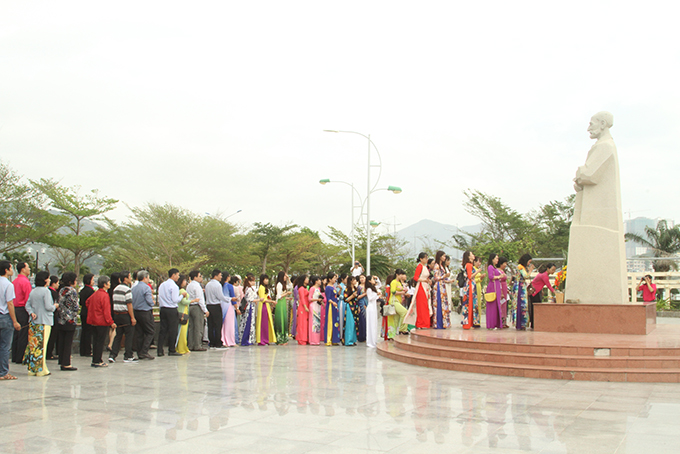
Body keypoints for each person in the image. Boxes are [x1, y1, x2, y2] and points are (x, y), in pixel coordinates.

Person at [24, 271, 57, 376]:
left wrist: (31, 312)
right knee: (43, 346)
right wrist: (55, 306)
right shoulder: (46, 291)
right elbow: (48, 306)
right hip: (45, 321)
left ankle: (32, 369)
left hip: (34, 322)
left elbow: (27, 305)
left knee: (34, 346)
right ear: (45, 280)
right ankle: (42, 370)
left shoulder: (33, 291)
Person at [87, 276, 116, 367]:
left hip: (93, 321)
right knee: (100, 342)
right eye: (108, 282)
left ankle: (95, 359)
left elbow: (87, 302)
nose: (110, 284)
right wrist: (111, 322)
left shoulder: (95, 294)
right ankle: (98, 360)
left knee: (95, 341)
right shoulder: (104, 295)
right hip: (101, 322)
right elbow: (106, 311)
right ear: (104, 284)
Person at [109, 271, 137, 363]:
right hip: (125, 314)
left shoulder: (116, 289)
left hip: (117, 314)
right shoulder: (127, 289)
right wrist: (132, 317)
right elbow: (129, 304)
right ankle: (128, 355)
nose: (131, 278)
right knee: (129, 335)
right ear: (125, 278)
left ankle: (113, 355)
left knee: (118, 335)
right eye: (129, 276)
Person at [0, 261, 21, 380]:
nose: (12, 270)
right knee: (4, 346)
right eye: (11, 268)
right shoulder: (8, 284)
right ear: (6, 270)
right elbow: (10, 303)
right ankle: (3, 372)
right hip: (5, 317)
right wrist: (15, 321)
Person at [55, 272, 79, 371]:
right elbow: (75, 306)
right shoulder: (72, 291)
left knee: (62, 341)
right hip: (70, 319)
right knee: (68, 342)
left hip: (61, 318)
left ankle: (61, 359)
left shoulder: (61, 290)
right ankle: (66, 363)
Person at [157, 268, 184, 357]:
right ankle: (171, 349)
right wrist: (181, 296)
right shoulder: (174, 286)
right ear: (173, 275)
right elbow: (175, 300)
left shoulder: (162, 285)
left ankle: (160, 350)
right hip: (171, 309)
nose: (178, 277)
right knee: (173, 330)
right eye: (177, 275)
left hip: (163, 308)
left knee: (163, 330)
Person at [131, 270, 155, 360]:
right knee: (150, 331)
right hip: (145, 311)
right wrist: (152, 302)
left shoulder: (134, 288)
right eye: (148, 278)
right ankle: (144, 351)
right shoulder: (146, 288)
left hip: (136, 311)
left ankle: (139, 352)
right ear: (145, 278)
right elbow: (149, 301)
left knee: (139, 333)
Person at [11, 262, 31, 365]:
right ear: (23, 269)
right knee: (23, 333)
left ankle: (14, 356)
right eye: (28, 267)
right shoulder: (25, 282)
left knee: (16, 333)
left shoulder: (14, 281)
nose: (29, 269)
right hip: (23, 309)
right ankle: (21, 357)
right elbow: (28, 299)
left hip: (14, 309)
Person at [405, 253, 431, 329]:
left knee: (425, 305)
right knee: (421, 306)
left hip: (425, 286)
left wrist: (427, 281)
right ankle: (420, 323)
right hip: (420, 286)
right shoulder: (419, 266)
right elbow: (416, 277)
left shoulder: (425, 267)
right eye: (425, 258)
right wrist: (423, 280)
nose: (426, 259)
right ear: (421, 259)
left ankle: (425, 323)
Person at [529, 263, 557, 328]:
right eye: (552, 270)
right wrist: (555, 292)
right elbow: (549, 286)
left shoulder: (543, 274)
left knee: (534, 308)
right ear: (548, 269)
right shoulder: (544, 276)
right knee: (536, 308)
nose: (553, 271)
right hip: (535, 293)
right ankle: (534, 324)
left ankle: (533, 324)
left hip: (535, 292)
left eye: (554, 270)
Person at [186, 270, 208, 351]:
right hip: (197, 306)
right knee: (198, 326)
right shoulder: (197, 286)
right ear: (195, 277)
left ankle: (191, 344)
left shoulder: (189, 285)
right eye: (200, 276)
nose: (201, 278)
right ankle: (198, 345)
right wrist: (205, 310)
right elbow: (200, 299)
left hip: (190, 306)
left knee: (191, 327)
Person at [205, 269, 227, 348]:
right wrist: (229, 299)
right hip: (216, 306)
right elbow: (220, 296)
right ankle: (218, 342)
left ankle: (212, 342)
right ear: (216, 275)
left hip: (209, 306)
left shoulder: (208, 284)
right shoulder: (217, 285)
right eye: (220, 275)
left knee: (210, 325)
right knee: (218, 325)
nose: (221, 277)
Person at [432, 251, 452, 330]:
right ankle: (438, 323)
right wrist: (444, 276)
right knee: (439, 304)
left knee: (443, 304)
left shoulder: (441, 266)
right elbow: (436, 277)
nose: (444, 258)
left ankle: (443, 323)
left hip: (442, 285)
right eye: (443, 256)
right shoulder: (436, 266)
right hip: (438, 286)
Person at [387, 270, 408, 338]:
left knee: (396, 319)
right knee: (404, 312)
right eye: (400, 274)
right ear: (397, 275)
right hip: (394, 301)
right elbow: (393, 291)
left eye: (402, 274)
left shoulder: (399, 283)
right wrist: (402, 293)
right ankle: (402, 329)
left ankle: (393, 335)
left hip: (398, 301)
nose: (402, 276)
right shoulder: (394, 282)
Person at [256, 274, 277, 346]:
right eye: (265, 279)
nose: (267, 280)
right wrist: (272, 301)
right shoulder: (261, 288)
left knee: (267, 323)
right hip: (263, 306)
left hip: (266, 306)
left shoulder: (264, 288)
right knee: (263, 323)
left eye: (267, 279)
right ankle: (262, 339)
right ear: (262, 280)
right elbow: (262, 299)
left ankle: (266, 339)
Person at [514, 254, 533, 330]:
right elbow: (526, 276)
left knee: (523, 304)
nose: (529, 264)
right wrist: (530, 271)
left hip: (522, 285)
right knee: (521, 304)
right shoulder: (520, 267)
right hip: (520, 287)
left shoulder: (522, 267)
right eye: (529, 262)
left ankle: (522, 323)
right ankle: (521, 323)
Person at [78, 274, 95, 357]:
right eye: (92, 280)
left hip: (83, 312)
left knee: (84, 331)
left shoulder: (82, 290)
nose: (93, 281)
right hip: (88, 312)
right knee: (88, 332)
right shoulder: (90, 291)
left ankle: (82, 350)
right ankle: (88, 350)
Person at [220, 271, 238, 347]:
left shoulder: (220, 285)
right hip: (228, 305)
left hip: (221, 304)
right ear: (227, 277)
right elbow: (233, 297)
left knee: (222, 323)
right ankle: (230, 341)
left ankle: (222, 339)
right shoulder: (230, 286)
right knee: (230, 324)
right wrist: (236, 308)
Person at [484, 254, 503, 330]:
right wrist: (499, 277)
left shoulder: (494, 268)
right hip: (493, 287)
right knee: (492, 306)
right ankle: (491, 324)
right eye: (496, 258)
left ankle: (497, 323)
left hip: (497, 286)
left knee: (497, 305)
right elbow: (491, 277)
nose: (497, 260)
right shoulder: (490, 267)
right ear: (492, 259)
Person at [238, 274, 258, 346]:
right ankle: (247, 339)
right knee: (248, 322)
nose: (254, 283)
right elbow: (250, 299)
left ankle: (249, 338)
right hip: (249, 307)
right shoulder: (248, 289)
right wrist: (258, 299)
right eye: (252, 281)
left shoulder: (250, 288)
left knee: (250, 322)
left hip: (251, 307)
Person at [274, 271, 290, 345]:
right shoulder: (279, 284)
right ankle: (280, 339)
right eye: (284, 276)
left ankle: (283, 338)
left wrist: (288, 278)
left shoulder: (283, 284)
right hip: (280, 304)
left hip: (283, 303)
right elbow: (279, 296)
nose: (285, 278)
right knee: (280, 320)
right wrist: (286, 294)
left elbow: (290, 286)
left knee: (284, 319)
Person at [324, 272, 341, 346]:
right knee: (330, 321)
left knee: (335, 322)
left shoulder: (334, 286)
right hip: (331, 306)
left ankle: (334, 340)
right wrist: (333, 303)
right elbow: (328, 298)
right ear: (330, 279)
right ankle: (328, 339)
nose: (335, 279)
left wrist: (340, 289)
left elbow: (337, 295)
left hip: (335, 306)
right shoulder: (328, 287)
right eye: (334, 278)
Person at [176, 275, 192, 354]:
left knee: (183, 330)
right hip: (183, 311)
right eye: (185, 281)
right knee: (182, 331)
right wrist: (192, 301)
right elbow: (183, 301)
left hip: (183, 310)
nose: (186, 282)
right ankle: (182, 348)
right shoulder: (182, 291)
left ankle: (182, 347)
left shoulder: (180, 290)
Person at [365, 275, 380, 348]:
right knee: (370, 325)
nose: (374, 280)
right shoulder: (369, 289)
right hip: (370, 308)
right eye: (372, 279)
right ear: (369, 281)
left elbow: (379, 285)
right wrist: (377, 295)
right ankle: (370, 342)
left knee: (374, 324)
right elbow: (370, 298)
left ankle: (374, 340)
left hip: (374, 307)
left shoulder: (373, 288)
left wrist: (377, 279)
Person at [295, 275, 310, 345]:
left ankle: (305, 338)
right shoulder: (301, 288)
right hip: (302, 307)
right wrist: (305, 306)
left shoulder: (306, 288)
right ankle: (301, 338)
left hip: (306, 306)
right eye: (306, 278)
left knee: (305, 323)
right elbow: (302, 298)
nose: (307, 280)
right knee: (301, 323)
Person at [343, 276, 358, 346]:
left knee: (355, 324)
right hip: (350, 307)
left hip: (355, 307)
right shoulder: (347, 289)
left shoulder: (355, 288)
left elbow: (356, 299)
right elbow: (345, 299)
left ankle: (353, 339)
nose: (355, 281)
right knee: (350, 324)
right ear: (351, 281)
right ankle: (348, 341)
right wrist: (352, 295)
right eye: (354, 280)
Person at [353, 275, 368, 342]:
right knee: (362, 321)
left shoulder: (368, 287)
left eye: (363, 277)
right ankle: (362, 337)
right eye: (360, 278)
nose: (362, 279)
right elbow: (357, 297)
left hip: (368, 304)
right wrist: (364, 294)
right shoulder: (358, 287)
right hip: (362, 305)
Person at [497, 257, 509, 328]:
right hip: (501, 288)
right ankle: (500, 322)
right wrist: (501, 292)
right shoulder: (498, 271)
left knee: (504, 305)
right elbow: (499, 281)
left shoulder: (503, 271)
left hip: (504, 289)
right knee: (501, 305)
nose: (505, 265)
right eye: (504, 263)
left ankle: (504, 321)